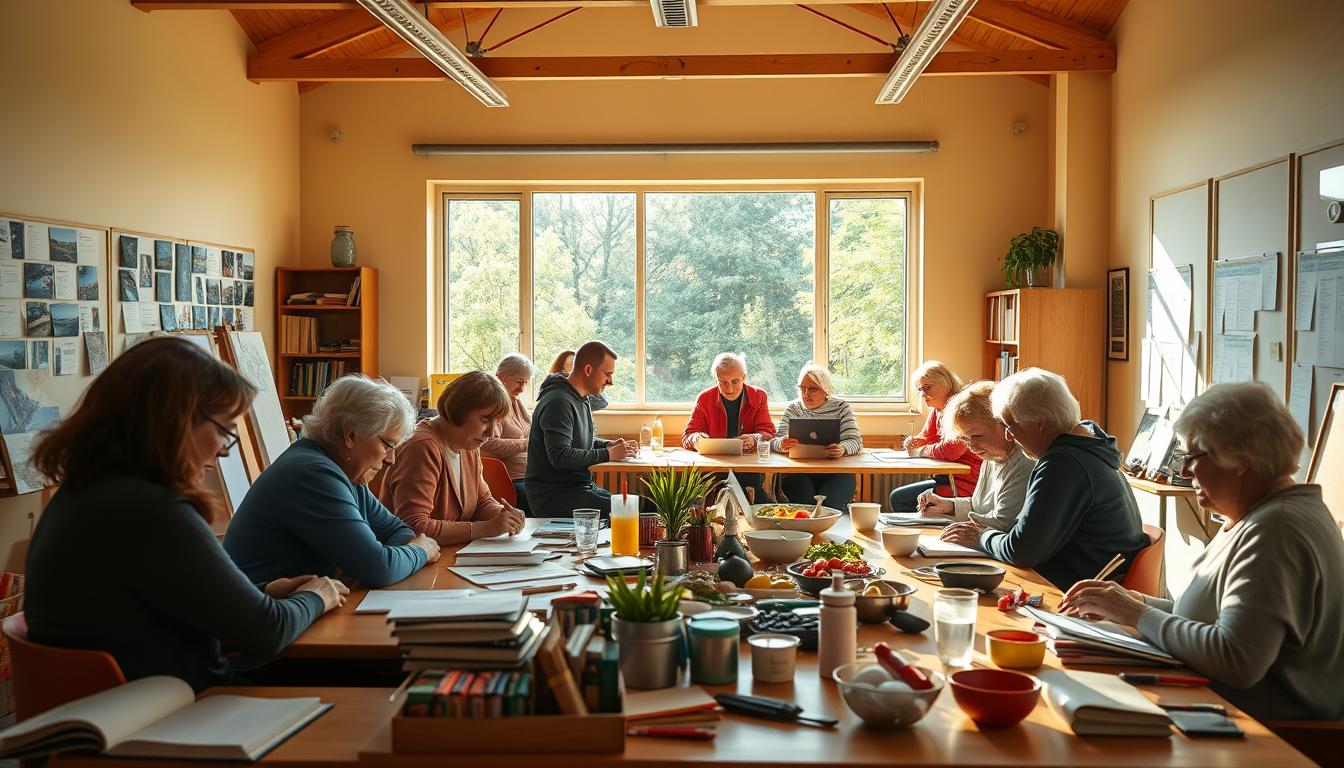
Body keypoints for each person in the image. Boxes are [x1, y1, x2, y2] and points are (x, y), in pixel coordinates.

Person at [24, 337, 347, 691]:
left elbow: (160, 606)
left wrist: (265, 591)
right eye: (224, 431)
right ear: (175, 421)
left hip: (119, 703)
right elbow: (265, 633)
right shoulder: (150, 511)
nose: (224, 451)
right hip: (169, 711)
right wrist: (318, 596)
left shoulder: (86, 493)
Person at [1060, 382, 1344, 722]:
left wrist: (1136, 615)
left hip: (1269, 735)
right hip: (1218, 708)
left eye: (1192, 456)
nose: (1183, 471)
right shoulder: (1263, 514)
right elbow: (1214, 617)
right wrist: (1135, 603)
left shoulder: (1275, 532)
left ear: (1240, 459)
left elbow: (1235, 659)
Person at [225, 375, 441, 589]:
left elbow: (398, 531)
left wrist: (373, 562)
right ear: (350, 435)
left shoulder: (345, 474)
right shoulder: (314, 475)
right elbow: (379, 569)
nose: (390, 459)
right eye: (388, 445)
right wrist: (419, 551)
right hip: (260, 614)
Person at [940, 368, 1148, 590]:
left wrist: (981, 536)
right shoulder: (1088, 446)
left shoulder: (1063, 463)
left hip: (1079, 591)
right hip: (1088, 580)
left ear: (1039, 423)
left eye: (1011, 426)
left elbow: (1021, 551)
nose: (1009, 436)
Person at [380, 371, 526, 544]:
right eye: (486, 419)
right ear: (458, 410)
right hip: (414, 561)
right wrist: (485, 528)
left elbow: (482, 501)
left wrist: (503, 515)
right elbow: (414, 526)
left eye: (497, 422)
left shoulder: (468, 443)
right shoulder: (422, 446)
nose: (492, 432)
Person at [526, 340, 638, 518]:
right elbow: (560, 456)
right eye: (608, 374)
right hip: (553, 497)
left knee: (636, 503)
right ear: (588, 370)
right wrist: (609, 454)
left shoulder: (581, 399)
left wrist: (609, 446)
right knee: (637, 509)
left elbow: (584, 442)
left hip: (578, 489)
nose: (611, 381)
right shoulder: (558, 402)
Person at [918, 380, 1034, 531]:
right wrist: (948, 505)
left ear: (1004, 424)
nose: (971, 447)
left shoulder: (1025, 463)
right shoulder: (991, 457)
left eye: (977, 436)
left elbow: (1004, 524)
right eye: (965, 439)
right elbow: (978, 506)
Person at [888, 361, 982, 514]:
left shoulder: (961, 409)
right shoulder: (937, 409)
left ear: (945, 383)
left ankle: (926, 529)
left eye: (927, 388)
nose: (923, 394)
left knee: (900, 499)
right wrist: (914, 442)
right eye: (920, 390)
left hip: (965, 482)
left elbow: (952, 450)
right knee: (898, 497)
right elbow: (926, 436)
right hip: (947, 478)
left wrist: (921, 451)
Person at [681, 353, 775, 499]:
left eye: (735, 381)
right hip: (713, 467)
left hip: (748, 467)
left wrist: (754, 438)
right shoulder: (705, 398)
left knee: (756, 498)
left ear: (744, 377)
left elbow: (769, 433)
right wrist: (697, 438)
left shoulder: (759, 396)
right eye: (722, 382)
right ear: (716, 379)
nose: (729, 389)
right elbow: (688, 435)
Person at [771, 364, 863, 512]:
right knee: (804, 508)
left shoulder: (841, 407)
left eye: (812, 389)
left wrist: (843, 448)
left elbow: (856, 442)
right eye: (802, 388)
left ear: (825, 389)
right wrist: (781, 443)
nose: (806, 394)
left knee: (828, 509)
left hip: (837, 472)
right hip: (798, 471)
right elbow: (774, 441)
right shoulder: (793, 409)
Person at [481, 353, 535, 512]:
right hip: (510, 479)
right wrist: (526, 444)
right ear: (501, 376)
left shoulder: (516, 401)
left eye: (526, 383)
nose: (522, 388)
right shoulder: (493, 403)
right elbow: (488, 443)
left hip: (529, 475)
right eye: (519, 382)